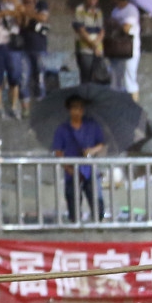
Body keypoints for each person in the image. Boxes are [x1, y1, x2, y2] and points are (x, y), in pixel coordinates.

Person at [52, 94, 106, 222]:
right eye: (74, 108)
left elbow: (101, 144)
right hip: (71, 171)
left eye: (80, 108)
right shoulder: (62, 129)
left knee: (96, 199)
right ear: (69, 110)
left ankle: (99, 223)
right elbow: (58, 151)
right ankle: (75, 225)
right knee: (73, 200)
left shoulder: (92, 125)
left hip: (90, 169)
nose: (77, 111)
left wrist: (91, 150)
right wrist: (67, 168)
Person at [19, 0, 49, 108]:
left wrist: (27, 12)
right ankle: (25, 108)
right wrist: (22, 12)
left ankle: (41, 106)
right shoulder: (20, 6)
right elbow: (22, 25)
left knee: (40, 78)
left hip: (39, 46)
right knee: (23, 78)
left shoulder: (41, 4)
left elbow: (43, 17)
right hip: (24, 47)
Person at [108, 0, 141, 101]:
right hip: (116, 49)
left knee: (130, 79)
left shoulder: (131, 10)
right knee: (116, 80)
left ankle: (134, 106)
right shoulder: (115, 11)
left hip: (130, 49)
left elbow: (126, 28)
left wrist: (116, 24)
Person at [73, 0, 106, 84]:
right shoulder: (80, 10)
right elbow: (81, 30)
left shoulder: (98, 12)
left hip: (98, 49)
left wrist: (97, 44)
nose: (93, 1)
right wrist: (93, 45)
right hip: (85, 48)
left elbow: (102, 30)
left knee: (97, 78)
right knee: (86, 78)